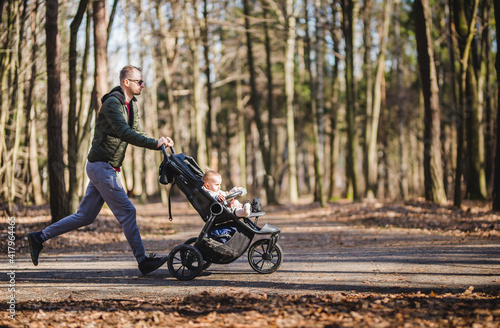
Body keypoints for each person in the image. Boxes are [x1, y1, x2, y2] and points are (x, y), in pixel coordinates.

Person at [28, 65, 174, 275]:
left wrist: (158, 142)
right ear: (126, 82)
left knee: (85, 216)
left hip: (106, 167)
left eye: (142, 81)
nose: (142, 85)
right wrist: (154, 143)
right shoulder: (112, 104)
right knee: (128, 211)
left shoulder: (132, 104)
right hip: (101, 166)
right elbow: (124, 132)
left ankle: (39, 237)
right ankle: (143, 261)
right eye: (138, 81)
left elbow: (137, 131)